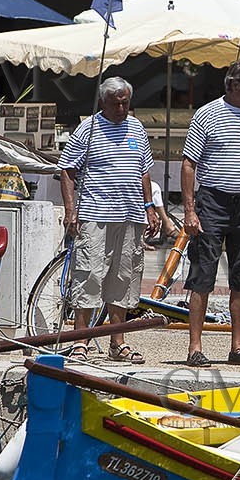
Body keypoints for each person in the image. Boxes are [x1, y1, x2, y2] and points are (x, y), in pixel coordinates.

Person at [180, 60, 240, 368]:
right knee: (202, 274)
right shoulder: (207, 114)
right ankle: (195, 347)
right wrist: (189, 210)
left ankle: (237, 346)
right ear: (234, 85)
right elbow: (189, 164)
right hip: (212, 200)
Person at [58, 77, 162, 363]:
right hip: (95, 214)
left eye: (125, 103)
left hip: (130, 215)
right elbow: (67, 170)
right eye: (116, 103)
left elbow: (144, 169)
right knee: (89, 276)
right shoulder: (88, 128)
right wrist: (70, 210)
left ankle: (118, 342)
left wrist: (150, 207)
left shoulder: (136, 127)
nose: (121, 108)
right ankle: (80, 342)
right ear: (103, 102)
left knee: (124, 279)